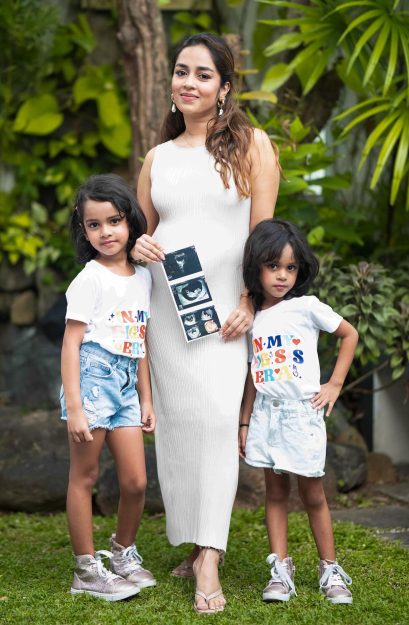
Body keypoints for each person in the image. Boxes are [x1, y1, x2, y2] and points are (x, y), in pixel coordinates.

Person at [132, 33, 280, 613]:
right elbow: (137, 233)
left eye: (202, 74)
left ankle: (211, 557)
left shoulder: (252, 145)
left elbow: (263, 233)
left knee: (218, 422)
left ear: (224, 87)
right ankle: (196, 542)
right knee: (180, 429)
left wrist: (249, 299)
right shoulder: (158, 158)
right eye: (181, 71)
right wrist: (139, 245)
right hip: (168, 317)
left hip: (226, 316)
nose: (188, 82)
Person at [239, 218, 359, 605]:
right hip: (265, 415)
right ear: (256, 266)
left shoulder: (307, 307)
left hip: (301, 415)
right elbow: (253, 372)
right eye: (273, 266)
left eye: (290, 267)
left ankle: (330, 569)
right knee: (275, 493)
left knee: (313, 494)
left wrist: (334, 384)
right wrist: (245, 421)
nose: (282, 275)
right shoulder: (253, 317)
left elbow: (349, 334)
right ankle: (280, 569)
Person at [60, 174, 157, 601]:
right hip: (93, 380)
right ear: (84, 230)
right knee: (85, 476)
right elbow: (71, 344)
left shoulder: (144, 277)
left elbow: (140, 340)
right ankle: (85, 570)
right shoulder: (89, 279)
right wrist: (76, 407)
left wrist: (146, 398)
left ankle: (122, 553)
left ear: (130, 221)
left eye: (114, 221)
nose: (106, 232)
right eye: (94, 224)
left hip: (126, 383)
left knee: (135, 481)